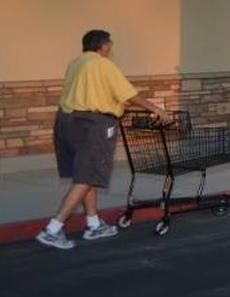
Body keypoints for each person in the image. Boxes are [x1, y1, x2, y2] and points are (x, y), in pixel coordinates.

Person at [37, 30, 171, 251]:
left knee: (86, 174)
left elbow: (96, 93)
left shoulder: (76, 64)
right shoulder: (103, 64)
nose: (111, 48)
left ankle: (93, 224)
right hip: (93, 125)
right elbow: (128, 95)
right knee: (87, 176)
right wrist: (156, 109)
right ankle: (52, 229)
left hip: (66, 121)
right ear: (104, 46)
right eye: (110, 44)